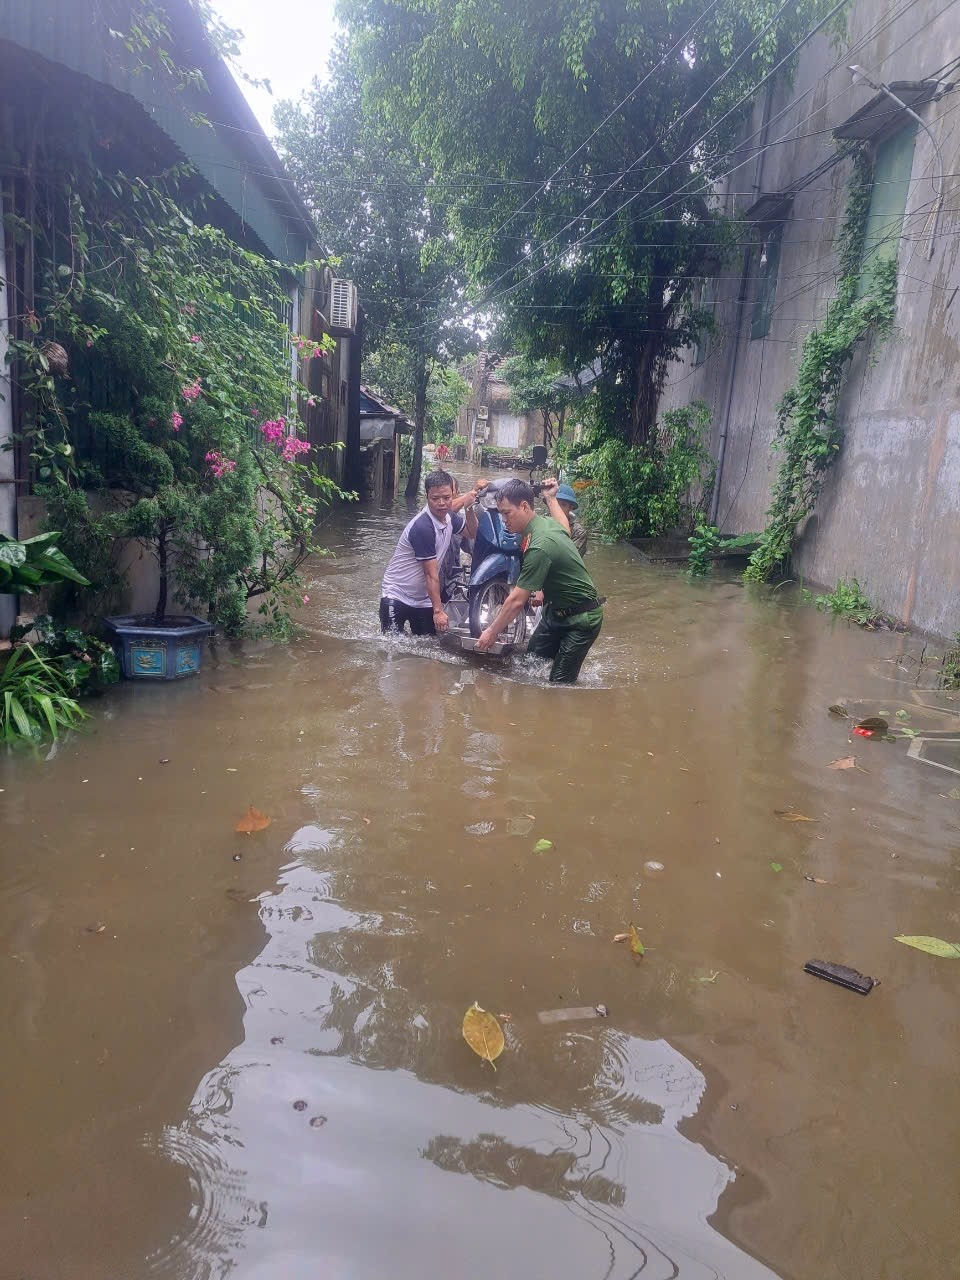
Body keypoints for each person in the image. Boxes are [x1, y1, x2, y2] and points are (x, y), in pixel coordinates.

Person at [475, 477, 603, 683]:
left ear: (524, 506)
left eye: (507, 513)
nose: (504, 520)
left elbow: (517, 600)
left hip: (581, 620)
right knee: (528, 665)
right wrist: (551, 498)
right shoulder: (547, 524)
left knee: (558, 686)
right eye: (501, 514)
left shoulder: (539, 545)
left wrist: (491, 631)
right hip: (555, 613)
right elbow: (565, 526)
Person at [380, 470, 484, 635]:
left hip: (423, 598)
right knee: (392, 647)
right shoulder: (423, 527)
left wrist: (469, 508)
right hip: (397, 593)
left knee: (429, 648)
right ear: (427, 496)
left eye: (447, 498)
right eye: (435, 498)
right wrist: (438, 611)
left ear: (453, 495)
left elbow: (472, 533)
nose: (441, 503)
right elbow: (430, 574)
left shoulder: (449, 518)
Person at [547, 482, 588, 555]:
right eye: (555, 503)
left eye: (563, 504)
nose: (558, 508)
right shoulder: (542, 521)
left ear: (571, 507)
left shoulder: (578, 532)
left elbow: (570, 559)